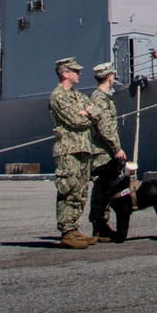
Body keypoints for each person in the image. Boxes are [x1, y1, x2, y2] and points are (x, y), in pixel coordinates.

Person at [49, 57, 95, 248]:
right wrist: (87, 114)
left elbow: (95, 112)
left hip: (83, 148)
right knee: (68, 189)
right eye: (76, 71)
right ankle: (67, 232)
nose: (79, 74)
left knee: (80, 191)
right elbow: (77, 121)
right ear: (64, 73)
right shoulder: (58, 96)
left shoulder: (78, 96)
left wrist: (88, 113)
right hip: (68, 151)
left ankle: (74, 229)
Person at [86, 61, 127, 240]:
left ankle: (102, 225)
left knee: (106, 188)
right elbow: (104, 127)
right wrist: (116, 148)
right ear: (110, 77)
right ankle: (100, 225)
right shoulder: (100, 99)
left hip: (105, 151)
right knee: (103, 188)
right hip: (103, 151)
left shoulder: (101, 98)